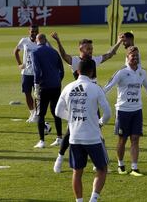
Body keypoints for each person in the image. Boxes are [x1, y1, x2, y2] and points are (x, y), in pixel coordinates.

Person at [51, 32, 122, 173]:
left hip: (93, 99)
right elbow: (64, 56)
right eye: (87, 49)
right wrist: (58, 41)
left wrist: (119, 41)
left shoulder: (94, 60)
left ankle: (97, 163)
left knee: (96, 130)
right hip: (80, 98)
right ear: (80, 49)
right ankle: (59, 159)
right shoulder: (76, 61)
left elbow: (109, 54)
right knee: (71, 131)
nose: (90, 51)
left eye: (91, 48)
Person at [103, 46, 147, 176]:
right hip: (123, 110)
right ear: (127, 57)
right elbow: (108, 86)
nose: (135, 58)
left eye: (137, 56)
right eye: (133, 56)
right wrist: (96, 97)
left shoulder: (142, 72)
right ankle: (121, 165)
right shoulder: (121, 72)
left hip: (137, 110)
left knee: (135, 138)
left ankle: (134, 168)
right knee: (122, 139)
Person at [55, 59, 112, 202]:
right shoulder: (95, 88)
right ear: (92, 72)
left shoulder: (68, 87)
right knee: (102, 169)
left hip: (74, 137)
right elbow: (108, 113)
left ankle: (79, 201)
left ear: (77, 71)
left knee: (77, 172)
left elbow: (58, 111)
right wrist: (100, 123)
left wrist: (73, 118)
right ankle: (93, 199)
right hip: (93, 137)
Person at [32, 34, 64, 148]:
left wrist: (36, 86)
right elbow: (61, 69)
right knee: (56, 112)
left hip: (44, 87)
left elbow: (37, 71)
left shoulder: (35, 52)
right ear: (45, 40)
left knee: (41, 114)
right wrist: (58, 80)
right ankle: (59, 138)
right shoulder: (54, 51)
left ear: (37, 41)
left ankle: (42, 141)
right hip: (56, 86)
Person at [13, 24, 40, 123]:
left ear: (38, 31)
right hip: (26, 73)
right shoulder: (24, 41)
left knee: (37, 95)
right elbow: (16, 51)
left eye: (36, 31)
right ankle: (32, 113)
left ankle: (37, 114)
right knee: (27, 94)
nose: (34, 33)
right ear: (29, 32)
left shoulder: (41, 41)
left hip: (38, 73)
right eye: (32, 31)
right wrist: (19, 64)